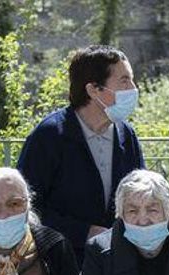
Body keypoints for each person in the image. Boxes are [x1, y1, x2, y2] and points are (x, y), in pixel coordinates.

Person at [16, 45, 146, 260]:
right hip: (63, 261)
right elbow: (25, 208)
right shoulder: (49, 136)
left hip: (118, 261)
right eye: (124, 80)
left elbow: (142, 193)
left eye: (131, 80)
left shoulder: (126, 133)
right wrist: (85, 232)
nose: (133, 88)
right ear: (93, 90)